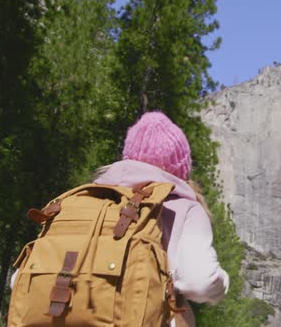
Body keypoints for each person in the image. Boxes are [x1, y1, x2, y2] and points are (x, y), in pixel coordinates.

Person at [94, 111, 229, 326]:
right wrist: (221, 283)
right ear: (181, 167)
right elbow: (199, 281)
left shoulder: (92, 198)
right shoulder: (185, 208)